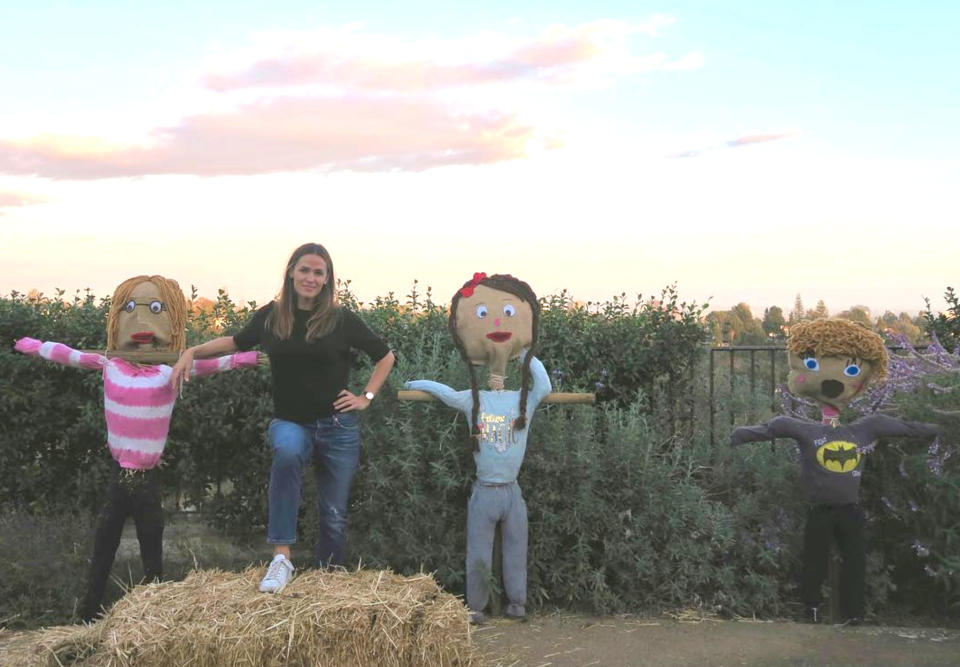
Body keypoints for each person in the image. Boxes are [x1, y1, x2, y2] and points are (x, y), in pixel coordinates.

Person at [14, 274, 262, 621]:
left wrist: (244, 359)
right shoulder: (109, 364)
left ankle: (150, 615)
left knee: (151, 545)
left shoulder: (171, 372)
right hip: (119, 475)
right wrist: (35, 345)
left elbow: (210, 364)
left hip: (146, 479)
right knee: (104, 545)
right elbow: (70, 355)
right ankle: (89, 612)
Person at [171, 243, 395, 593]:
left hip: (337, 428)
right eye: (304, 269)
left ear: (327, 279)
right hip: (291, 422)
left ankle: (327, 581)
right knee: (288, 454)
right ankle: (281, 560)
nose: (310, 277)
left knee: (334, 515)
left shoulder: (341, 319)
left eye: (318, 272)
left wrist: (365, 397)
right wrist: (192, 351)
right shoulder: (272, 317)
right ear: (291, 272)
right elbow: (234, 342)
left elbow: (385, 356)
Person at [731, 318, 941, 625]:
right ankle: (811, 610)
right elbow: (771, 427)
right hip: (820, 510)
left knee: (855, 562)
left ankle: (854, 614)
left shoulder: (866, 429)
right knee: (814, 561)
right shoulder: (803, 430)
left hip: (849, 510)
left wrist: (944, 427)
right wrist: (736, 435)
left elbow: (907, 428)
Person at [404, 273, 551, 624]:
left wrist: (525, 354)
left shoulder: (523, 400)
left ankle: (517, 602)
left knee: (516, 549)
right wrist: (412, 382)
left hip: (512, 492)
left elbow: (543, 384)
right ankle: (476, 607)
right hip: (484, 491)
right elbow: (440, 391)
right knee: (479, 553)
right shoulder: (473, 398)